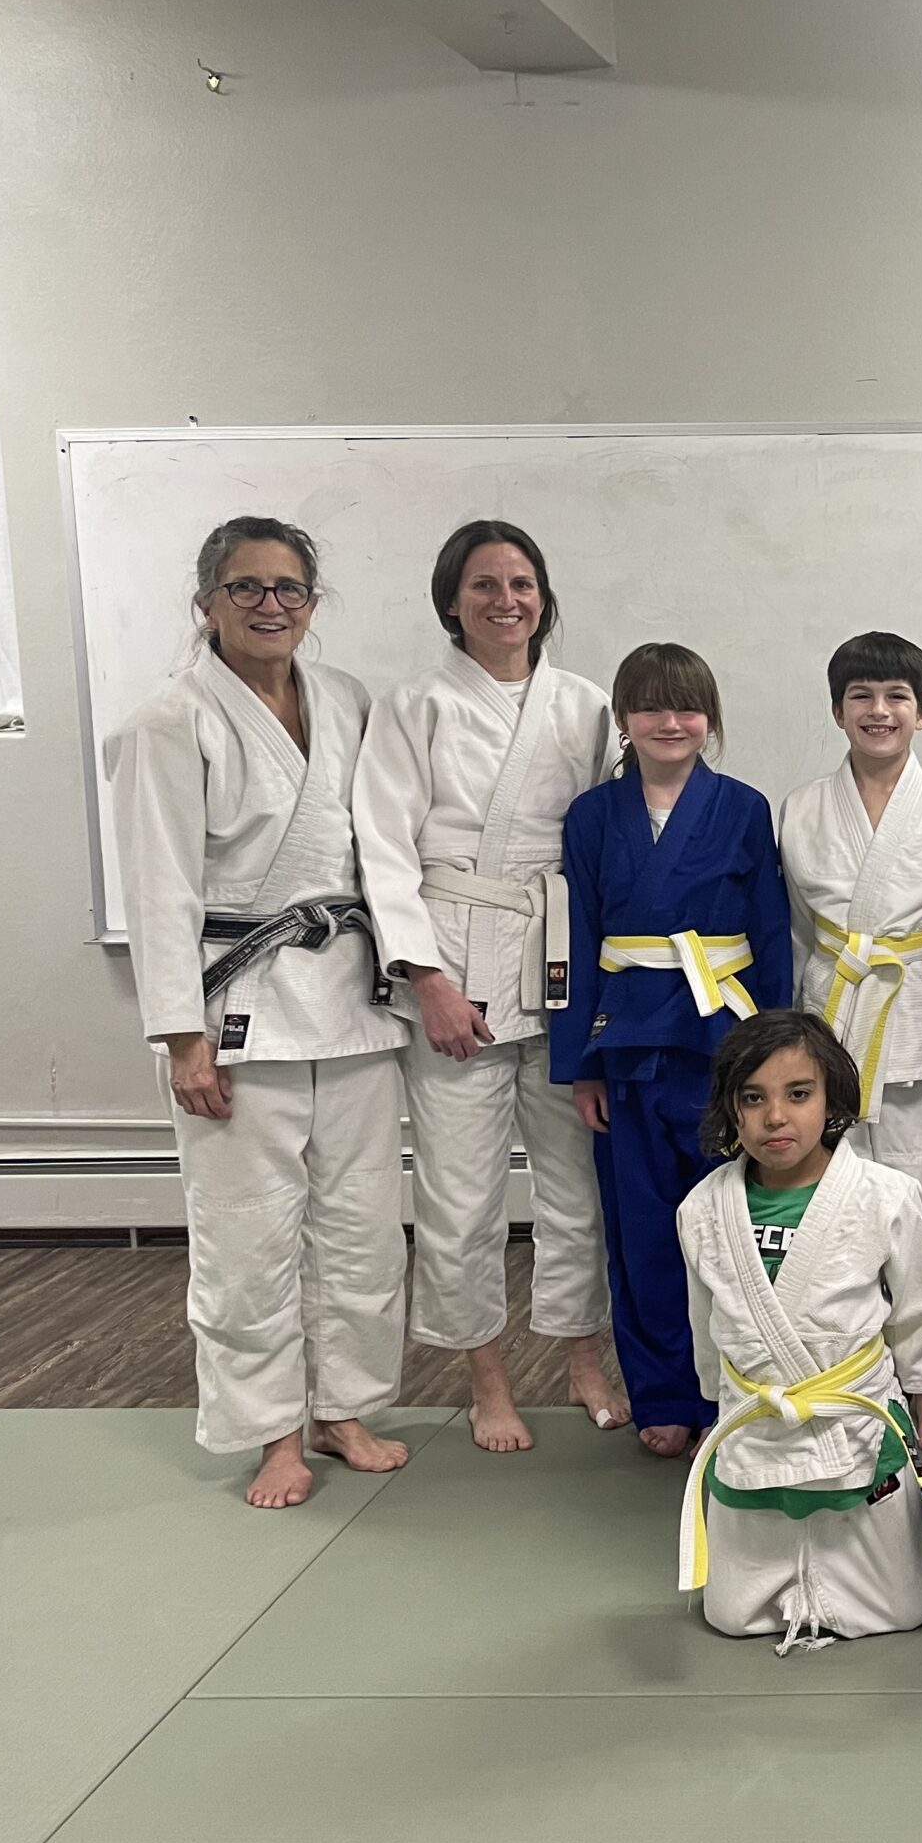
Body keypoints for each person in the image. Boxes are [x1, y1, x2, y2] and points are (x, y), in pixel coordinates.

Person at [107, 515, 409, 1508]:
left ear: (312, 605)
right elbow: (158, 888)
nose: (270, 605)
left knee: (363, 1223)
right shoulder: (169, 721)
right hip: (237, 1005)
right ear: (207, 605)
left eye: (288, 588)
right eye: (246, 587)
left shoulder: (346, 700)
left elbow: (379, 847)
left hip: (352, 1000)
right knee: (248, 1233)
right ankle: (273, 1430)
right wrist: (181, 1038)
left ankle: (343, 1407)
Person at [352, 520, 625, 1452]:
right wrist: (426, 978)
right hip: (454, 956)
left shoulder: (586, 706)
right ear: (451, 600)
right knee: (461, 1197)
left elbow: (610, 839)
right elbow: (383, 848)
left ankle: (584, 1357)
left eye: (521, 584)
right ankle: (487, 1380)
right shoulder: (415, 705)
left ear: (543, 598)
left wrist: (603, 993)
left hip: (560, 958)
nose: (505, 601)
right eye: (484, 585)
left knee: (578, 1188)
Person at [552, 643, 790, 1457]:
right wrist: (581, 1064)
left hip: (722, 1038)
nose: (670, 722)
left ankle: (736, 1389)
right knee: (642, 1229)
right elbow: (578, 938)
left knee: (735, 1226)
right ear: (624, 718)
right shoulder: (592, 816)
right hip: (626, 1045)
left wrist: (777, 1058)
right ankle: (663, 1394)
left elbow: (770, 933)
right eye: (650, 706)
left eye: (687, 706)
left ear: (709, 718)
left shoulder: (744, 807)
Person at [673, 1010, 922, 1649]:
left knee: (901, 1604)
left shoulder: (884, 1194)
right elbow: (704, 1322)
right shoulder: (703, 1209)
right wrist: (714, 1410)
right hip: (756, 1416)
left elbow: (919, 1311)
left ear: (831, 1098)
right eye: (754, 1098)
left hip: (851, 1415)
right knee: (732, 1613)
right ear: (731, 1109)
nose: (776, 1117)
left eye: (798, 1094)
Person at [779, 632, 922, 1353]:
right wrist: (791, 1046)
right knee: (832, 1211)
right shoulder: (801, 809)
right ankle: (846, 1368)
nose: (879, 711)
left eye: (896, 696)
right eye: (861, 696)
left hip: (921, 1030)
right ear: (837, 711)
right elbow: (796, 936)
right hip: (830, 1023)